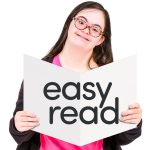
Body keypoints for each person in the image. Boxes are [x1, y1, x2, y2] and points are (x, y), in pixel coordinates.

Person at [9, 1, 142, 150]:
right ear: (70, 23)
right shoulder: (39, 73)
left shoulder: (110, 78)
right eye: (81, 22)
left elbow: (121, 139)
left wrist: (132, 122)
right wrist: (18, 125)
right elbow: (19, 134)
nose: (86, 30)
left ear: (101, 39)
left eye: (95, 29)